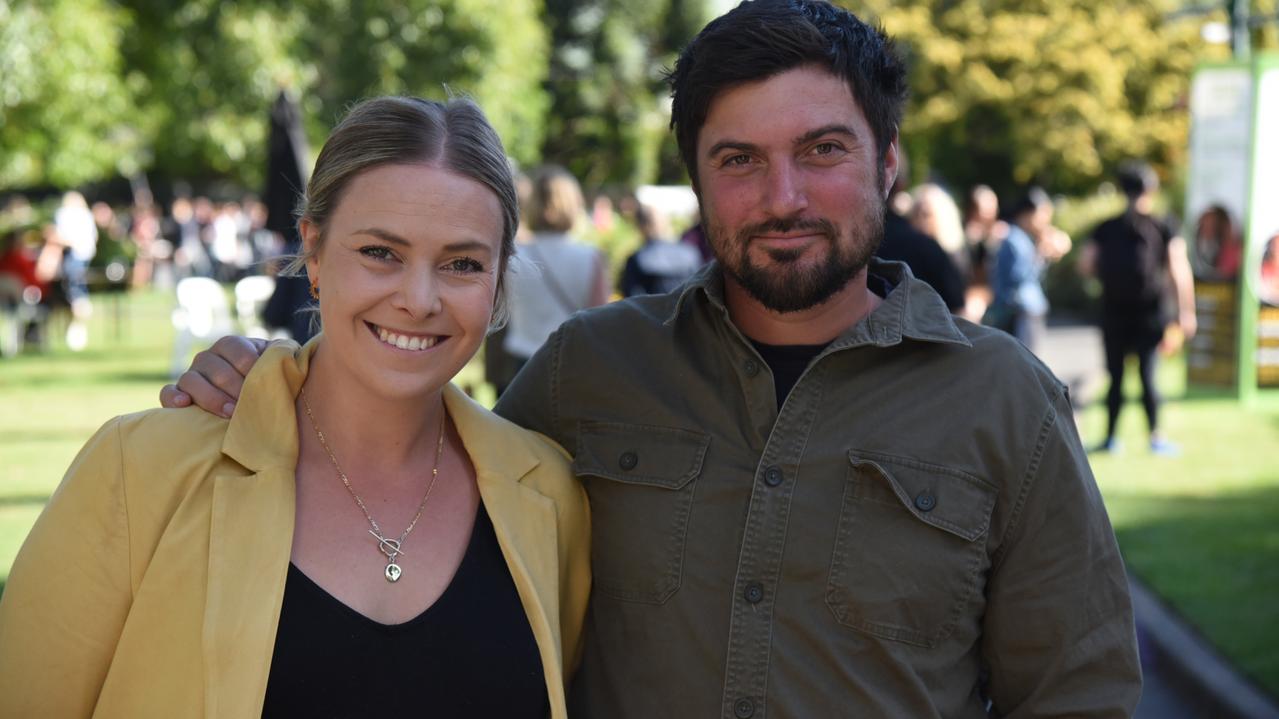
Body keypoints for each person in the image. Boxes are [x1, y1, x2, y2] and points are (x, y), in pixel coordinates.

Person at [162, 2, 1140, 716]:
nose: (782, 194)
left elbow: (1077, 690)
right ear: (697, 182)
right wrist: (271, 375)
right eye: (738, 159)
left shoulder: (1005, 401)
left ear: (888, 160)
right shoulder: (590, 368)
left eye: (823, 150)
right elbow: (403, 452)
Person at [0, 96, 590, 718]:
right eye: (380, 253)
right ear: (312, 251)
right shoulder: (139, 470)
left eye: (462, 263)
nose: (419, 299)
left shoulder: (550, 496)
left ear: (498, 281)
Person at [1080, 162, 1197, 455]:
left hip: (1120, 312)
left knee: (1118, 376)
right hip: (1147, 313)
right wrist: (1186, 312)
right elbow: (1179, 269)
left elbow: (1086, 265)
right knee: (1145, 375)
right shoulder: (1164, 224)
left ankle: (1112, 439)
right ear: (1152, 190)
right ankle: (1153, 438)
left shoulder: (1107, 227)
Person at [502, 164, 611, 370]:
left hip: (521, 362)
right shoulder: (590, 257)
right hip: (570, 360)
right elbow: (600, 319)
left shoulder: (512, 256)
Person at [986, 187, 1061, 352]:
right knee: (1025, 364)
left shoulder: (1021, 238)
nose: (1047, 219)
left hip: (1024, 310)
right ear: (1028, 213)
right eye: (1043, 213)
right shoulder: (1015, 239)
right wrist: (1042, 255)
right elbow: (1018, 276)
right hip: (1020, 311)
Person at [618, 203, 704, 297]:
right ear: (665, 223)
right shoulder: (690, 253)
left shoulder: (637, 260)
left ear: (640, 226)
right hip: (687, 310)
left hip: (651, 310)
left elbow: (631, 300)